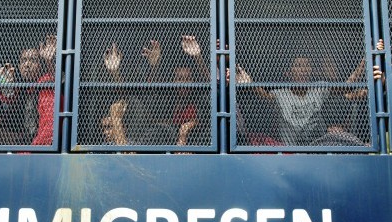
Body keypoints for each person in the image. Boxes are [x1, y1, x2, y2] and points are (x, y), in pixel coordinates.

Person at [233, 48, 382, 146]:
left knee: (340, 136)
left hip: (318, 147)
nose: (304, 70)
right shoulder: (280, 94)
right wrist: (250, 83)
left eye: (307, 66)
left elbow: (347, 86)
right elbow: (263, 95)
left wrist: (364, 63)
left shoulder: (318, 88)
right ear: (288, 73)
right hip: (290, 150)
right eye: (298, 65)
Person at [101, 35, 208, 149]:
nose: (183, 83)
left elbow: (210, 93)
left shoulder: (199, 98)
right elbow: (144, 97)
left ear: (194, 80)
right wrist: (115, 72)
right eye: (180, 78)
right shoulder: (167, 99)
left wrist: (198, 57)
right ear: (173, 80)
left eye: (187, 79)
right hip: (156, 138)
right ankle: (130, 146)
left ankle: (130, 147)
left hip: (192, 141)